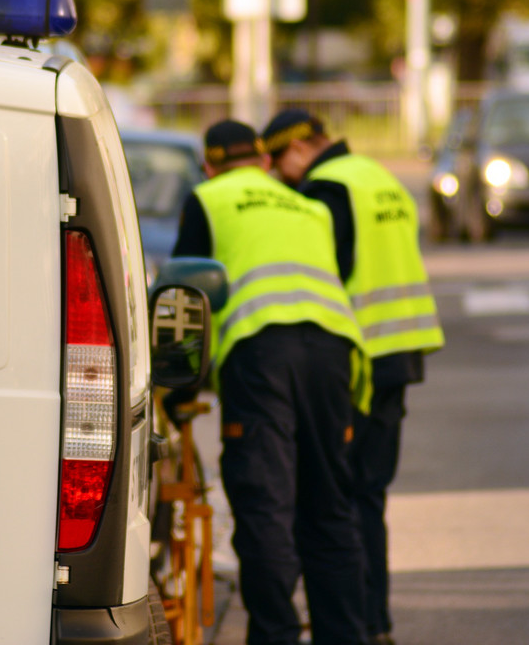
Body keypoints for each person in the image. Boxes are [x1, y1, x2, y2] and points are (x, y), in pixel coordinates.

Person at [168, 119, 372, 645]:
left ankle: (276, 635)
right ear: (262, 160)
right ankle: (345, 635)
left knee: (266, 505)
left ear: (209, 165)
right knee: (329, 507)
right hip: (332, 353)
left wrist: (180, 391)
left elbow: (188, 304)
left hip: (263, 355)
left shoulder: (208, 199)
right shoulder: (307, 205)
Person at [261, 109, 445, 645]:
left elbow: (325, 274)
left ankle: (358, 624)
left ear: (297, 149)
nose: (280, 177)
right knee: (369, 495)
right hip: (400, 352)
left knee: (340, 497)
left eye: (278, 163)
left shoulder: (328, 189)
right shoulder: (378, 177)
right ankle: (375, 622)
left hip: (358, 360)